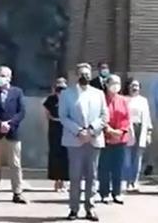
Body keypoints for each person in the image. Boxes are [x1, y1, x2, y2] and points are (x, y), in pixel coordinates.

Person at [59, 63, 108, 222]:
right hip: (75, 140)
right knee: (75, 176)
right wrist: (79, 131)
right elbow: (63, 116)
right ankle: (74, 208)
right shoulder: (67, 94)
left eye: (87, 74)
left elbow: (104, 116)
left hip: (93, 139)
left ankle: (90, 208)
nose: (85, 76)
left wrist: (92, 130)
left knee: (92, 176)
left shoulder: (99, 94)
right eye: (81, 74)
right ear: (76, 75)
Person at [0, 66, 26, 204]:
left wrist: (10, 124)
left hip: (12, 133)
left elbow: (21, 112)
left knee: (15, 164)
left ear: (9, 77)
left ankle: (17, 193)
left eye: (3, 75)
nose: (0, 77)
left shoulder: (17, 92)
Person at [97, 74, 129, 205]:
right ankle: (104, 193)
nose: (116, 86)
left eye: (118, 83)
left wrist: (119, 131)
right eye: (113, 83)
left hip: (120, 139)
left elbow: (126, 119)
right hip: (104, 138)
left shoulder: (123, 100)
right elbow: (99, 116)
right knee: (104, 168)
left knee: (118, 168)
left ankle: (117, 193)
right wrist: (108, 130)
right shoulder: (101, 99)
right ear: (107, 85)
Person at [124, 79, 152, 192]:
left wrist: (149, 132)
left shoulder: (143, 100)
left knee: (137, 158)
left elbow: (148, 117)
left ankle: (134, 181)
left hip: (141, 129)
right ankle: (126, 181)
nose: (135, 88)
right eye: (132, 85)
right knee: (127, 158)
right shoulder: (125, 99)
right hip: (128, 129)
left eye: (137, 85)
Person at [44, 77, 69, 191]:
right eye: (59, 88)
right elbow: (47, 113)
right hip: (54, 129)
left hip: (66, 129)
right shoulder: (51, 99)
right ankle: (56, 180)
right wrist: (56, 119)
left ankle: (64, 181)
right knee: (55, 154)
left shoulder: (68, 99)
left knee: (65, 155)